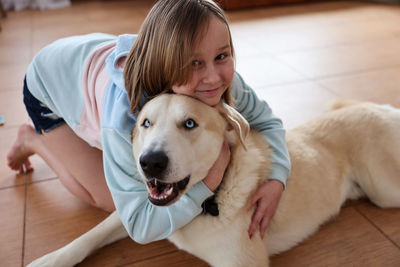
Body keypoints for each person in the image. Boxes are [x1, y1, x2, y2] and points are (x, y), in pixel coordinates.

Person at [7, 0, 290, 243]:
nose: (214, 76)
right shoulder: (120, 117)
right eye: (194, 62)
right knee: (106, 199)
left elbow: (266, 121)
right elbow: (139, 225)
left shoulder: (215, 83)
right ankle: (32, 140)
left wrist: (278, 177)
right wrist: (208, 183)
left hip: (83, 56)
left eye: (222, 56)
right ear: (165, 61)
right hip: (46, 85)